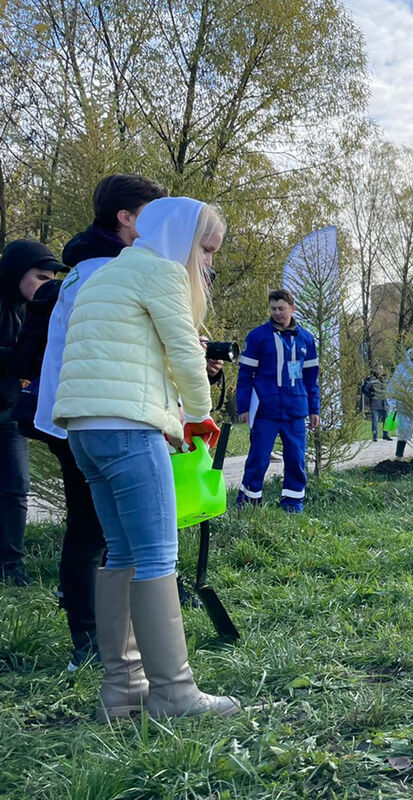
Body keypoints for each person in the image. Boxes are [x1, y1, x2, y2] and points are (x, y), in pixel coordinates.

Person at [53, 196, 240, 718]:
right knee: (158, 556)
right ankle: (175, 693)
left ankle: (123, 690)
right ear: (182, 238)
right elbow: (185, 354)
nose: (208, 263)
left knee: (122, 554)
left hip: (86, 431)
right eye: (205, 250)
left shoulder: (105, 276)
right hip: (128, 431)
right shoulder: (161, 274)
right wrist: (199, 414)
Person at [19, 175, 168, 663]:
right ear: (126, 218)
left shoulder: (88, 268)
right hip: (103, 413)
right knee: (103, 537)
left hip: (78, 412)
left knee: (102, 536)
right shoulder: (113, 269)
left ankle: (108, 649)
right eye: (152, 213)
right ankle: (96, 642)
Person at [0, 243, 58, 586]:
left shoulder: (35, 311)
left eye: (51, 278)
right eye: (40, 277)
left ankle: (11, 567)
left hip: (8, 413)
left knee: (17, 488)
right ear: (16, 271)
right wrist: (24, 354)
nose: (45, 284)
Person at [235, 288, 319, 513]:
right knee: (259, 459)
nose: (277, 313)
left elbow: (312, 379)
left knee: (296, 459)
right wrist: (243, 406)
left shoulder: (307, 339)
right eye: (273, 308)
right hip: (266, 410)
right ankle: (249, 503)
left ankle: (292, 504)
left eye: (282, 308)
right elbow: (245, 375)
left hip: (296, 410)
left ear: (292, 308)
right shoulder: (257, 337)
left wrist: (315, 409)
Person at [387, 348, 413, 459]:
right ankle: (398, 457)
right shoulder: (402, 369)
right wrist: (394, 403)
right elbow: (393, 386)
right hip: (405, 406)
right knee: (403, 432)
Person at [362, 367, 390, 442]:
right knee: (375, 420)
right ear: (375, 370)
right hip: (375, 402)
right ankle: (375, 436)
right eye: (378, 369)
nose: (379, 370)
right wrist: (371, 395)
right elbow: (364, 389)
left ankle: (386, 435)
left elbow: (390, 388)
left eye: (381, 369)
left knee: (387, 419)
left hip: (385, 402)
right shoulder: (371, 379)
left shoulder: (386, 379)